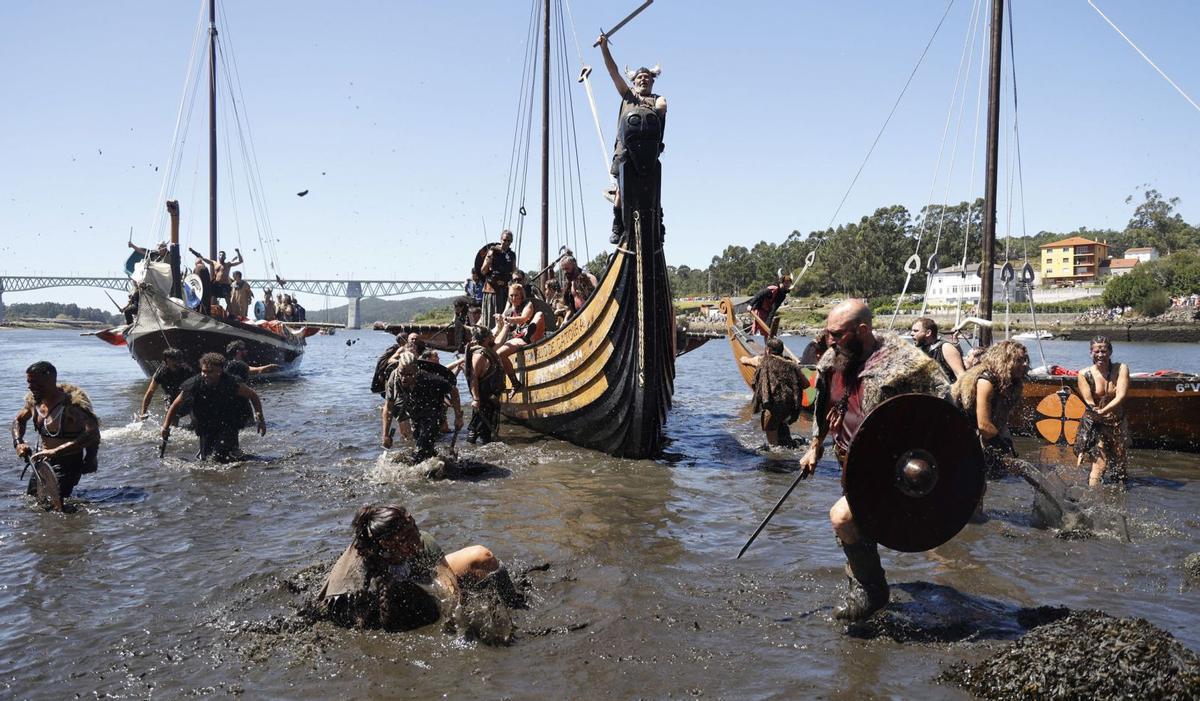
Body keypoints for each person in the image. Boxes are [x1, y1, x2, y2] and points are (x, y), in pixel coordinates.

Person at [797, 300, 950, 622]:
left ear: (862, 330)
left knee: (842, 517)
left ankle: (871, 590)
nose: (829, 340)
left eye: (837, 334)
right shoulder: (833, 360)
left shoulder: (907, 365)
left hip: (889, 465)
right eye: (828, 333)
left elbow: (944, 411)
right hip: (849, 462)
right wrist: (815, 445)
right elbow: (823, 402)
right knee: (858, 527)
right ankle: (863, 586)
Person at [310, 504, 522, 638]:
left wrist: (460, 622)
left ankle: (516, 602)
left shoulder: (420, 540)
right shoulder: (355, 582)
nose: (416, 540)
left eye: (414, 528)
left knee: (482, 557)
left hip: (412, 583)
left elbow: (448, 586)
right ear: (386, 543)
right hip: (375, 604)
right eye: (406, 537)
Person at [597, 33, 667, 244]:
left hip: (649, 153)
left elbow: (662, 107)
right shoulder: (628, 96)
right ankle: (617, 225)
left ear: (652, 81)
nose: (643, 79)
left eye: (647, 77)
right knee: (621, 190)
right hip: (625, 152)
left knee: (653, 189)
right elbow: (613, 71)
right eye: (639, 77)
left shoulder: (658, 99)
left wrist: (656, 108)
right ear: (634, 82)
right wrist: (604, 48)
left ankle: (658, 223)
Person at [11, 361, 101, 506]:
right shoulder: (34, 402)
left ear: (50, 380)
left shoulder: (72, 405)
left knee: (54, 505)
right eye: (29, 382)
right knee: (33, 500)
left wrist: (90, 458)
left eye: (35, 382)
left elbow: (93, 433)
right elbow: (18, 420)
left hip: (68, 462)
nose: (30, 387)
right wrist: (18, 442)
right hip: (43, 461)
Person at [163, 353, 265, 462]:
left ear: (220, 371)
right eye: (204, 371)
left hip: (228, 421)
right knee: (206, 459)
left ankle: (236, 455)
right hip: (205, 423)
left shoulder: (232, 382)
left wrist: (260, 418)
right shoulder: (194, 383)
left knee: (221, 456)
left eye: (210, 372)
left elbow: (253, 396)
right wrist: (165, 427)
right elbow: (175, 405)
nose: (206, 375)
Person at [951, 340, 1029, 479]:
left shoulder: (1011, 383)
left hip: (981, 432)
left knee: (1001, 472)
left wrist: (1010, 450)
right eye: (1019, 360)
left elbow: (1000, 422)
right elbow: (984, 426)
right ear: (1005, 361)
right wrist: (1005, 452)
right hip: (957, 431)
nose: (1025, 364)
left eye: (1025, 360)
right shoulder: (986, 381)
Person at [382, 353, 464, 462]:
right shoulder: (394, 377)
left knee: (421, 448)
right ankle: (440, 461)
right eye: (402, 373)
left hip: (434, 411)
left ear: (416, 371)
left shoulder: (430, 378)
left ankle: (418, 467)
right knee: (421, 442)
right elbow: (388, 408)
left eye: (409, 375)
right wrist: (385, 435)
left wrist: (458, 417)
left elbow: (454, 391)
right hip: (415, 411)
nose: (404, 378)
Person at [1074, 336, 1130, 486]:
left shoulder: (1121, 369)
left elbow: (1121, 396)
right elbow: (1089, 401)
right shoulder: (1084, 374)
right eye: (1096, 351)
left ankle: (1120, 492)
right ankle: (1091, 494)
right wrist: (1096, 411)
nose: (1100, 355)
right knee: (1100, 465)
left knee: (1121, 464)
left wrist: (1104, 410)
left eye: (1104, 351)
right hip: (1098, 423)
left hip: (1118, 422)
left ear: (1110, 352)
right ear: (1091, 353)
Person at [739, 337, 807, 448]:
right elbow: (806, 384)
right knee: (783, 429)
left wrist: (743, 358)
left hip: (772, 404)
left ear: (768, 350)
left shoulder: (763, 360)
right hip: (790, 405)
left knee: (773, 443)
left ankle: (776, 455)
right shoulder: (792, 365)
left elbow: (744, 360)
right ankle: (789, 445)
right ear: (782, 350)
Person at [465, 326, 505, 445]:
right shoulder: (479, 355)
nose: (493, 337)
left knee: (484, 429)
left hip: (490, 398)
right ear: (486, 338)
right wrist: (476, 399)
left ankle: (479, 448)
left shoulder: (488, 349)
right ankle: (474, 450)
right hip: (483, 398)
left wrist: (505, 325)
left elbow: (499, 341)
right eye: (491, 335)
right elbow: (474, 378)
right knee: (479, 429)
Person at [139, 348, 194, 421]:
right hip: (170, 396)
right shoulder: (161, 373)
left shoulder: (187, 370)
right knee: (173, 418)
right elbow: (150, 392)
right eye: (174, 359)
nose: (178, 362)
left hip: (185, 396)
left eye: (179, 359)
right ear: (167, 360)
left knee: (195, 416)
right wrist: (143, 413)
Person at [480, 230, 517, 328]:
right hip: (492, 290)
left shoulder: (512, 255)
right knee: (491, 319)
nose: (506, 243)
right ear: (501, 239)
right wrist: (489, 260)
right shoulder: (492, 252)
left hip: (505, 290)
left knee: (504, 317)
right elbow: (483, 271)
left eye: (509, 241)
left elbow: (514, 271)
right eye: (505, 240)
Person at [747, 274, 792, 341]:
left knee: (767, 332)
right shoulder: (773, 288)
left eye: (789, 284)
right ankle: (751, 340)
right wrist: (750, 305)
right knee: (755, 329)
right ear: (782, 282)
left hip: (767, 312)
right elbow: (759, 295)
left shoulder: (782, 295)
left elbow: (774, 309)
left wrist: (768, 324)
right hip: (760, 309)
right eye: (786, 283)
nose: (788, 285)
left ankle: (768, 345)